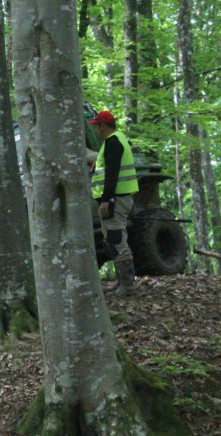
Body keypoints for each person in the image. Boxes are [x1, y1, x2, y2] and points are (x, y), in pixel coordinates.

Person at [89, 110, 139, 297]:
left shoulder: (113, 142)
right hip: (118, 198)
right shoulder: (119, 139)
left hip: (116, 199)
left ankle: (127, 286)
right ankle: (121, 283)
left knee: (117, 240)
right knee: (112, 240)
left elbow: (112, 173)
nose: (96, 131)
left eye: (97, 126)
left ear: (103, 126)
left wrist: (106, 200)